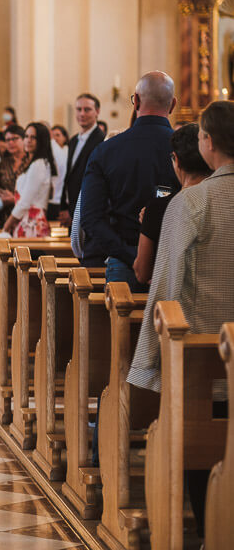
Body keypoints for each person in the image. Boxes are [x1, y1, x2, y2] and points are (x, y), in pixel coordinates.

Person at [128, 100, 234, 540]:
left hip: (203, 363)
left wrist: (147, 365)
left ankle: (212, 532)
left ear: (207, 144)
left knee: (201, 452)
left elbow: (165, 289)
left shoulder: (192, 202)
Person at [79, 73, 180, 291]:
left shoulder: (106, 150)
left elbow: (90, 218)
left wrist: (131, 255)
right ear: (172, 104)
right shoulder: (185, 151)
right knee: (173, 324)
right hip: (174, 263)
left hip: (123, 263)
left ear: (136, 100)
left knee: (121, 325)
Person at [132, 123, 211, 285]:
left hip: (172, 303)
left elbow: (142, 272)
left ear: (177, 161)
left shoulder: (158, 208)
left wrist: (149, 223)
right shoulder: (221, 201)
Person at [2, 122, 56, 237]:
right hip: (26, 219)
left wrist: (7, 225)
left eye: (33, 137)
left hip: (32, 222)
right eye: (26, 136)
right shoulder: (34, 163)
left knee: (28, 254)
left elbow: (25, 201)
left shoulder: (39, 164)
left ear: (41, 140)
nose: (28, 140)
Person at [59, 93, 105, 226]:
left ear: (97, 111)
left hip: (88, 210)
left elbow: (92, 180)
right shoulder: (73, 140)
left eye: (87, 109)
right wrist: (64, 207)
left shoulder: (101, 140)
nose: (82, 114)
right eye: (79, 109)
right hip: (71, 208)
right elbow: (69, 176)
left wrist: (73, 211)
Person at [0, 124, 27, 223]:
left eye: (14, 139)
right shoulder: (3, 163)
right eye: (7, 140)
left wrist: (14, 199)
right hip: (6, 216)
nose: (10, 143)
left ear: (24, 139)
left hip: (26, 217)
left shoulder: (31, 162)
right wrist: (0, 201)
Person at [48, 125, 69, 220]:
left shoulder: (66, 152)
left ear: (65, 137)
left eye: (58, 135)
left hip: (59, 198)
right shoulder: (51, 151)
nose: (55, 138)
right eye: (53, 135)